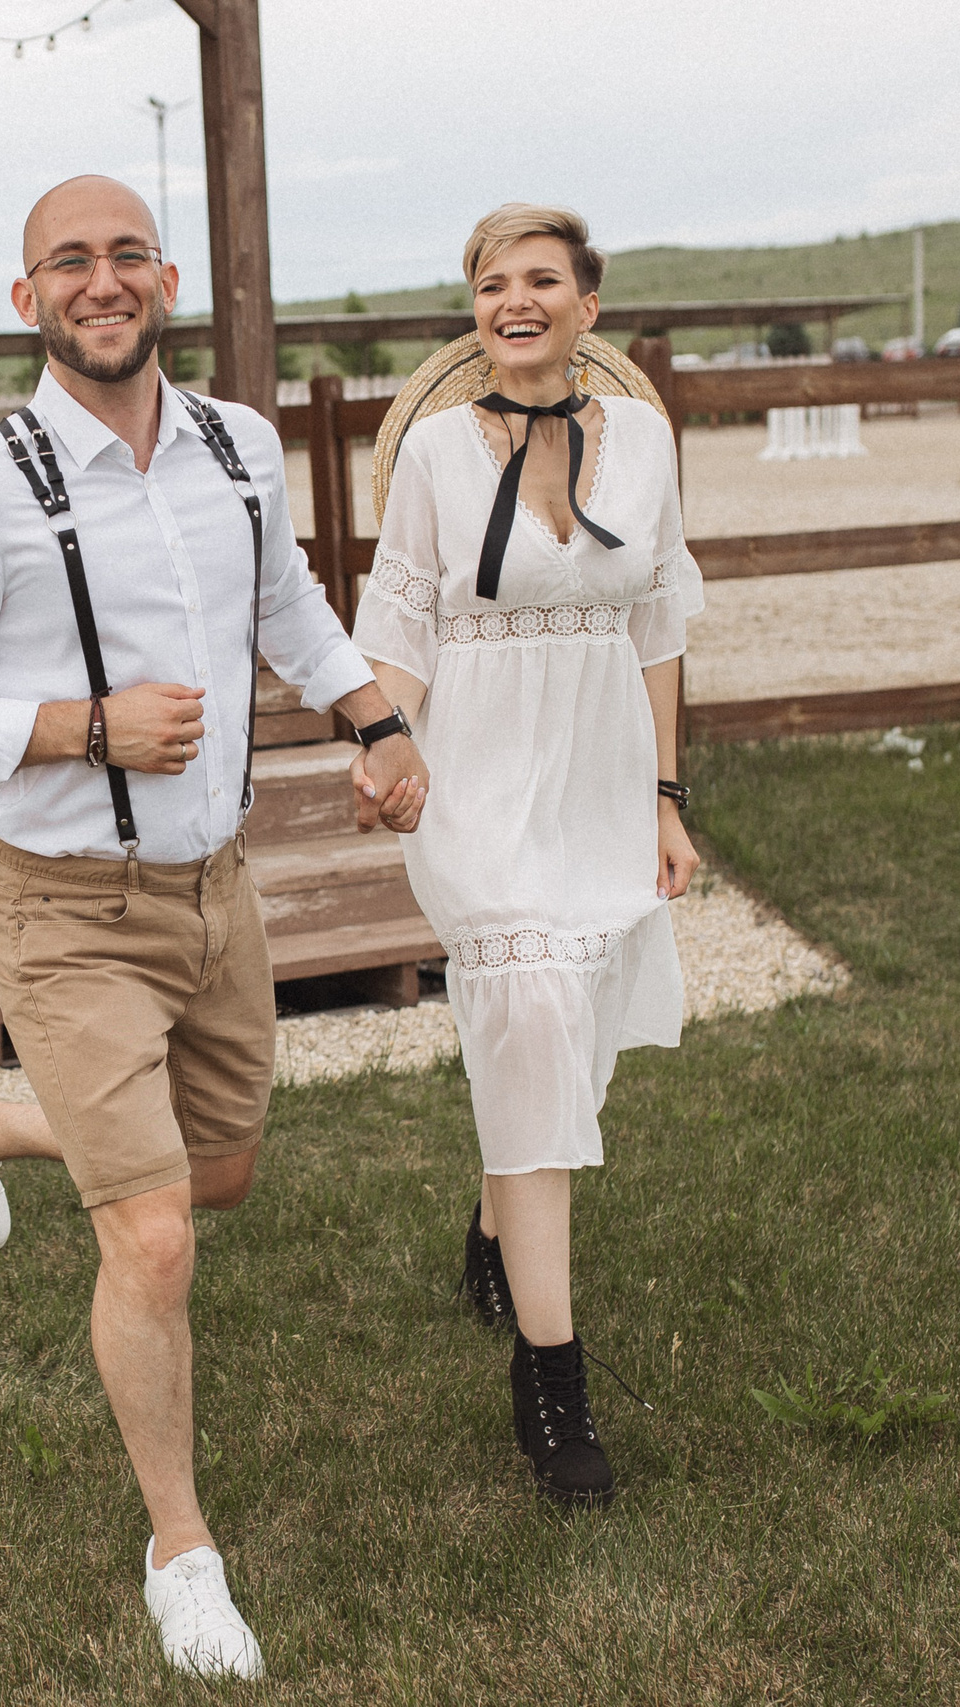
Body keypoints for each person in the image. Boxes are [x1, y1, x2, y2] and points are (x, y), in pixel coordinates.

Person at [0, 175, 429, 1679]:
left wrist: (371, 718)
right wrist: (75, 725)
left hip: (218, 893)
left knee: (215, 1177)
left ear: (164, 276)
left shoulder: (238, 444)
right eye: (69, 264)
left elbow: (287, 604)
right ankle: (182, 1551)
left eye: (125, 256)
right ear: (28, 299)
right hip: (68, 911)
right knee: (153, 1237)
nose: (102, 284)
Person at [351, 203, 703, 1506]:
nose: (516, 299)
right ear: (477, 313)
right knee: (537, 1006)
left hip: (602, 781)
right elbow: (397, 621)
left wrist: (665, 797)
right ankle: (554, 1388)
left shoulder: (646, 440)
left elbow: (659, 622)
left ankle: (496, 1223)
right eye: (493, 282)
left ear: (585, 307)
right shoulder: (438, 455)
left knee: (573, 1025)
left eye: (540, 279)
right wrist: (386, 739)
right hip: (481, 783)